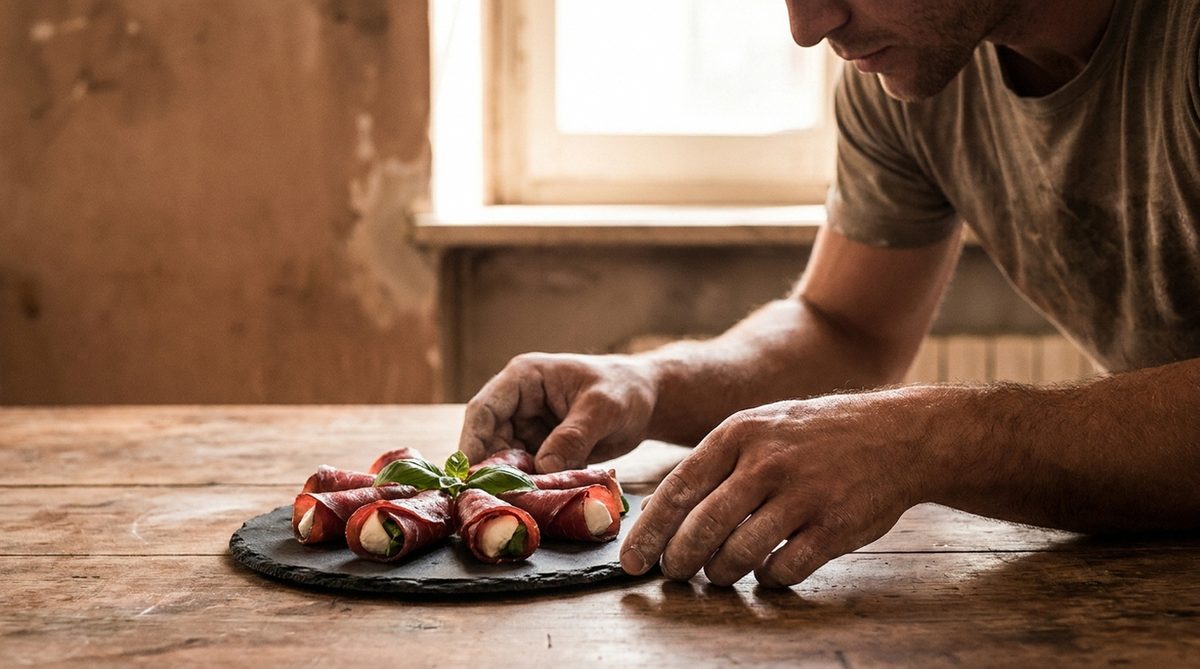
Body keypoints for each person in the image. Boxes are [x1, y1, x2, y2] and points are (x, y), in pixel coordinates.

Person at [459, 0, 1200, 588]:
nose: (808, 27)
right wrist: (648, 382)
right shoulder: (910, 71)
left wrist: (929, 436)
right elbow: (846, 326)